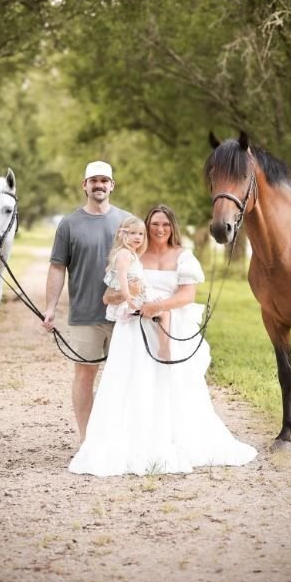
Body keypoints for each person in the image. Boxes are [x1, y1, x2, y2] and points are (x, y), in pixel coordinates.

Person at [69, 204, 257, 476]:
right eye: (154, 224)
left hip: (168, 326)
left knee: (170, 384)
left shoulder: (183, 257)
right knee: (133, 383)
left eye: (166, 224)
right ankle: (128, 441)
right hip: (133, 331)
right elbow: (109, 296)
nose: (160, 229)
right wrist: (131, 298)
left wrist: (157, 306)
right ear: (145, 227)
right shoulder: (132, 256)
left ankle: (174, 438)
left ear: (173, 227)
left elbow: (187, 296)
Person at [42, 161, 131, 442]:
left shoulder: (127, 222)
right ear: (85, 185)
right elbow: (57, 267)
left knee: (124, 377)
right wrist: (50, 308)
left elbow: (145, 265)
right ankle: (87, 440)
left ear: (112, 185)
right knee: (84, 376)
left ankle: (119, 439)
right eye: (94, 180)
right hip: (84, 315)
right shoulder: (69, 224)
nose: (99, 185)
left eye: (104, 180)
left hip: (124, 317)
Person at [104, 216, 170, 359]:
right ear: (123, 235)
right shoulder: (125, 253)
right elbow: (121, 277)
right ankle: (164, 348)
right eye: (133, 233)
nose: (138, 237)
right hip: (134, 295)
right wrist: (128, 297)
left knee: (162, 309)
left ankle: (159, 346)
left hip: (138, 292)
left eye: (141, 234)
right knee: (164, 311)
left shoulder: (131, 253)